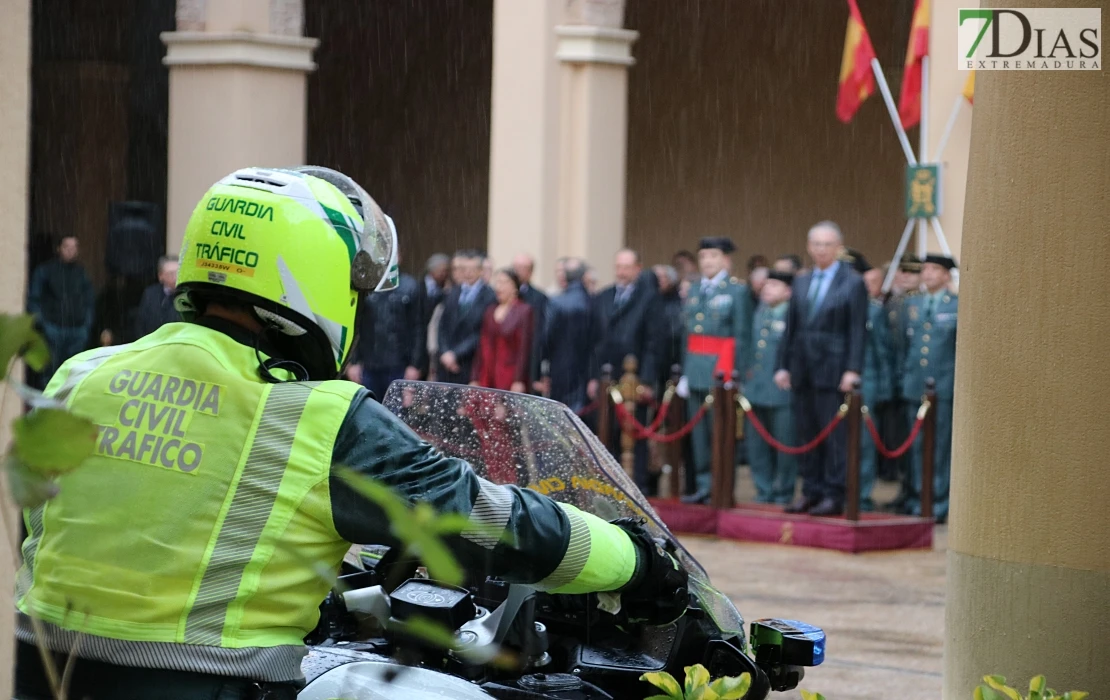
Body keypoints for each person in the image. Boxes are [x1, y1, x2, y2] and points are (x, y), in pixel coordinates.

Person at [13, 166, 687, 700]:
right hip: (207, 686)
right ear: (314, 281)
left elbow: (54, 530)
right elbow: (485, 521)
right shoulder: (316, 414)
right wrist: (638, 564)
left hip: (39, 674)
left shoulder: (83, 373)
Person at [774, 221, 867, 516]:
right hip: (802, 367)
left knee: (834, 437)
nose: (821, 250)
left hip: (834, 368)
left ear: (838, 248)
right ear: (808, 247)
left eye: (827, 245)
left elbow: (857, 330)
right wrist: (783, 365)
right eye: (816, 244)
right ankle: (810, 491)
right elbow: (790, 328)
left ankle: (833, 493)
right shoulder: (800, 280)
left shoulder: (852, 281)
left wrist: (852, 369)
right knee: (806, 433)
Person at [679, 237, 751, 504]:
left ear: (726, 260)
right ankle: (703, 485)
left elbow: (741, 335)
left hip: (721, 370)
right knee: (699, 436)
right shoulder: (695, 289)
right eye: (704, 256)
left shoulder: (736, 291)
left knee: (719, 433)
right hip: (696, 368)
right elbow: (688, 334)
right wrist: (685, 371)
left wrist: (735, 373)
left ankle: (721, 487)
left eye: (713, 256)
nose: (707, 261)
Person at [590, 248, 662, 495]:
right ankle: (609, 484)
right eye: (618, 266)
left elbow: (654, 343)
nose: (621, 272)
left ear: (637, 269)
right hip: (606, 377)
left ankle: (636, 486)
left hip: (634, 378)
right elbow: (594, 341)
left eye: (626, 267)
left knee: (634, 434)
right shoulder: (603, 296)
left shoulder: (649, 298)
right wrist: (593, 376)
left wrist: (647, 380)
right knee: (606, 432)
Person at [896, 254, 958, 522]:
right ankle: (919, 497)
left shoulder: (957, 305)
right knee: (916, 445)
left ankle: (940, 501)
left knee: (941, 447)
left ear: (947, 275)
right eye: (926, 269)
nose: (928, 273)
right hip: (915, 385)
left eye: (935, 269)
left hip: (943, 386)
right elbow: (902, 346)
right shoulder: (912, 304)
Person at [843, 250, 893, 511]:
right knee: (837, 442)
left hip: (867, 381)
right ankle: (838, 490)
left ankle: (860, 494)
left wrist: (884, 387)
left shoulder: (872, 310)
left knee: (863, 442)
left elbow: (882, 351)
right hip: (835, 383)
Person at [744, 269, 798, 505]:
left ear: (788, 292)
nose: (767, 289)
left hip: (782, 391)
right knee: (756, 445)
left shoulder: (793, 316)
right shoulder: (759, 312)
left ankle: (784, 492)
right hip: (755, 388)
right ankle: (763, 489)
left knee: (785, 444)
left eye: (774, 285)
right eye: (766, 285)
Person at [347, 263, 427, 400]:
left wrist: (415, 364)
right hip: (368, 364)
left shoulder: (411, 285)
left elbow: (418, 327)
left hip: (400, 364)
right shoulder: (365, 283)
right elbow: (355, 325)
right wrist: (353, 361)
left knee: (396, 415)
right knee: (370, 412)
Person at [26, 235, 95, 386]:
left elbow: (90, 301)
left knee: (73, 378)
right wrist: (45, 326)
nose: (70, 251)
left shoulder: (82, 274)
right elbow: (34, 301)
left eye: (74, 247)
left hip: (77, 332)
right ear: (59, 249)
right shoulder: (45, 271)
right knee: (50, 377)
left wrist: (85, 327)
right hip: (53, 331)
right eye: (66, 247)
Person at [541, 258, 594, 412]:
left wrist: (543, 364)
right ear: (584, 276)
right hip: (587, 368)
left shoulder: (556, 302)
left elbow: (546, 336)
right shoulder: (594, 301)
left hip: (559, 366)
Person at [437, 249, 496, 384]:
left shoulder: (489, 296)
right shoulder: (452, 292)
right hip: (446, 362)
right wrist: (445, 352)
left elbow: (481, 332)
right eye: (464, 269)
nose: (468, 273)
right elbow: (442, 326)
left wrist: (456, 354)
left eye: (473, 269)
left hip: (470, 362)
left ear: (481, 271)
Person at [472, 268, 534, 392]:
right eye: (497, 282)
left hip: (509, 374)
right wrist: (474, 377)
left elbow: (524, 349)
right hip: (487, 373)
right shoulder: (490, 310)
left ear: (515, 287)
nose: (499, 287)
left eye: (504, 283)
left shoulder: (524, 311)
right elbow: (482, 345)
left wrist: (518, 380)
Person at [512, 253, 549, 392]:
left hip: (530, 356)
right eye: (516, 267)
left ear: (531, 271)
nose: (518, 272)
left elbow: (540, 332)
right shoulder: (499, 297)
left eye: (523, 268)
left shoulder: (539, 298)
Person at [134, 255, 181, 338]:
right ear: (161, 276)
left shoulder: (187, 295)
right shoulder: (150, 294)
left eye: (178, 273)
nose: (175, 277)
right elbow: (141, 323)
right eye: (171, 273)